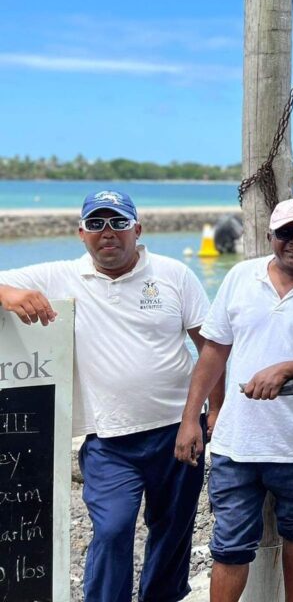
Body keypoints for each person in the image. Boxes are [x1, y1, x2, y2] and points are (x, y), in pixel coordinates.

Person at [0, 189, 214, 602]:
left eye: (118, 222)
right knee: (112, 529)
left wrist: (206, 414)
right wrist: (8, 294)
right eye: (96, 223)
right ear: (81, 233)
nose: (108, 231)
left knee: (172, 531)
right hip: (108, 440)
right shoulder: (62, 275)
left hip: (177, 428)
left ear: (138, 229)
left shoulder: (174, 274)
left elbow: (211, 347)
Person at [174, 197, 293, 602]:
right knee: (229, 546)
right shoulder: (241, 276)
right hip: (237, 443)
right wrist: (193, 418)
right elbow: (213, 351)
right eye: (286, 232)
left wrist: (286, 369)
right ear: (269, 236)